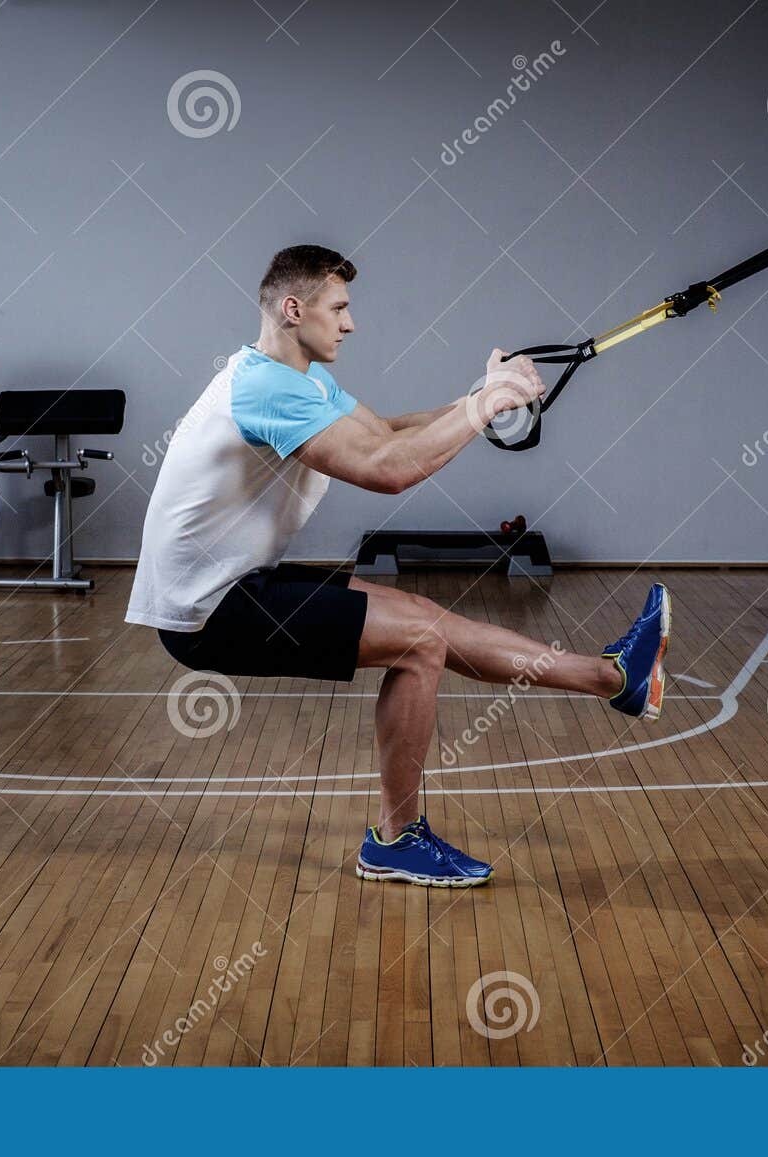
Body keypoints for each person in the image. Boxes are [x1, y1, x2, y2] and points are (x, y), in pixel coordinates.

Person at [126, 244, 669, 888]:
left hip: (237, 583)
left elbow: (382, 432)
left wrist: (482, 399)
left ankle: (614, 678)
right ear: (295, 310)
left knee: (425, 621)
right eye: (340, 307)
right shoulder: (266, 388)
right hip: (205, 611)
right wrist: (478, 410)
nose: (350, 323)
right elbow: (388, 472)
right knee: (418, 643)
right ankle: (396, 840)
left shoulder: (295, 376)